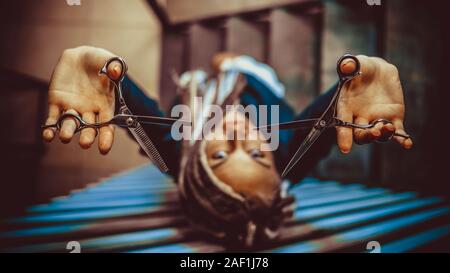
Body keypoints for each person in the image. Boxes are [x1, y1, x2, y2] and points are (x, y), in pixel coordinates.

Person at [42, 46, 413, 247]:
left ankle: (205, 77)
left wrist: (102, 74)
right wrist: (354, 86)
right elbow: (333, 115)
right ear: (279, 168)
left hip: (202, 98)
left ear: (195, 166)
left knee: (204, 76)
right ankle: (228, 66)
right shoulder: (291, 160)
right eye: (256, 154)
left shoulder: (178, 155)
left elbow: (129, 104)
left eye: (220, 156)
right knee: (230, 60)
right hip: (256, 82)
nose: (241, 138)